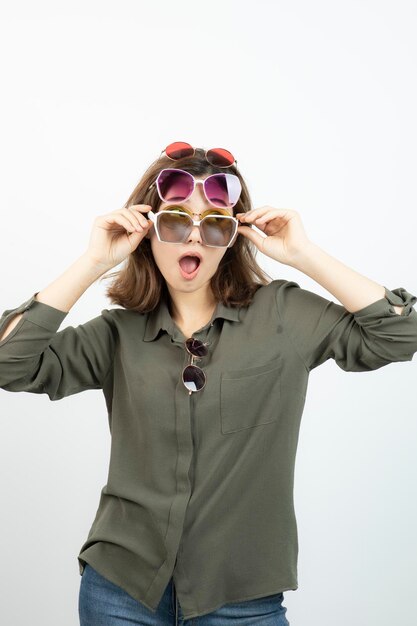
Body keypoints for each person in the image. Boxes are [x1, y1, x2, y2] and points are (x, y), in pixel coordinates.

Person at [1, 142, 416, 626]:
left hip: (241, 600)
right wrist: (94, 261)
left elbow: (399, 333)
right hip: (120, 593)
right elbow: (10, 362)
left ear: (232, 237)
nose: (193, 237)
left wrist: (303, 254)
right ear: (147, 232)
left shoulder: (283, 315)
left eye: (215, 224)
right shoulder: (117, 333)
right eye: (175, 221)